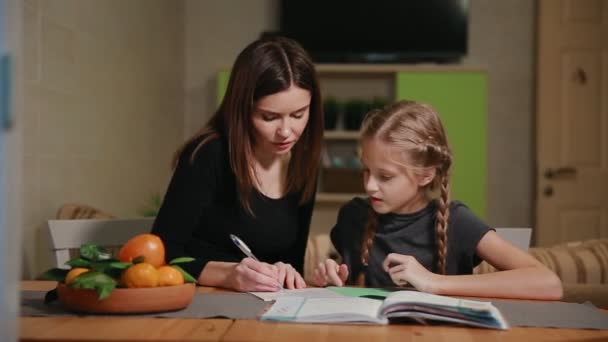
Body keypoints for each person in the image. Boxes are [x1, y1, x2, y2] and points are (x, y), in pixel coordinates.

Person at [313, 100, 563, 300]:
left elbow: (548, 283)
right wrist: (330, 276)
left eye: (385, 176)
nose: (369, 185)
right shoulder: (353, 215)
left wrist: (433, 281)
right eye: (366, 170)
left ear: (426, 175)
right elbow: (350, 282)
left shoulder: (457, 221)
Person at [152, 36, 323, 292]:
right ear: (243, 110)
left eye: (299, 114)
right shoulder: (208, 154)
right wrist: (225, 274)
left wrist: (287, 271)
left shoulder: (303, 162)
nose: (287, 131)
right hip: (201, 301)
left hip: (267, 307)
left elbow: (292, 260)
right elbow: (163, 251)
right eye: (269, 117)